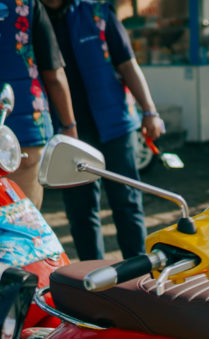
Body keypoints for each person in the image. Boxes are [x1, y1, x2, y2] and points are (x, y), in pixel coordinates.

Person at [41, 0, 162, 261]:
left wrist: (149, 111)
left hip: (115, 124)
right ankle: (92, 275)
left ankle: (138, 271)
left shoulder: (97, 13)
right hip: (67, 131)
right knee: (81, 210)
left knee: (127, 202)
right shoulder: (31, 18)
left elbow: (127, 64)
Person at [0, 0, 77, 208]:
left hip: (22, 131)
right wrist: (69, 127)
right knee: (23, 220)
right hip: (25, 133)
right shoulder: (27, 5)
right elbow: (54, 76)